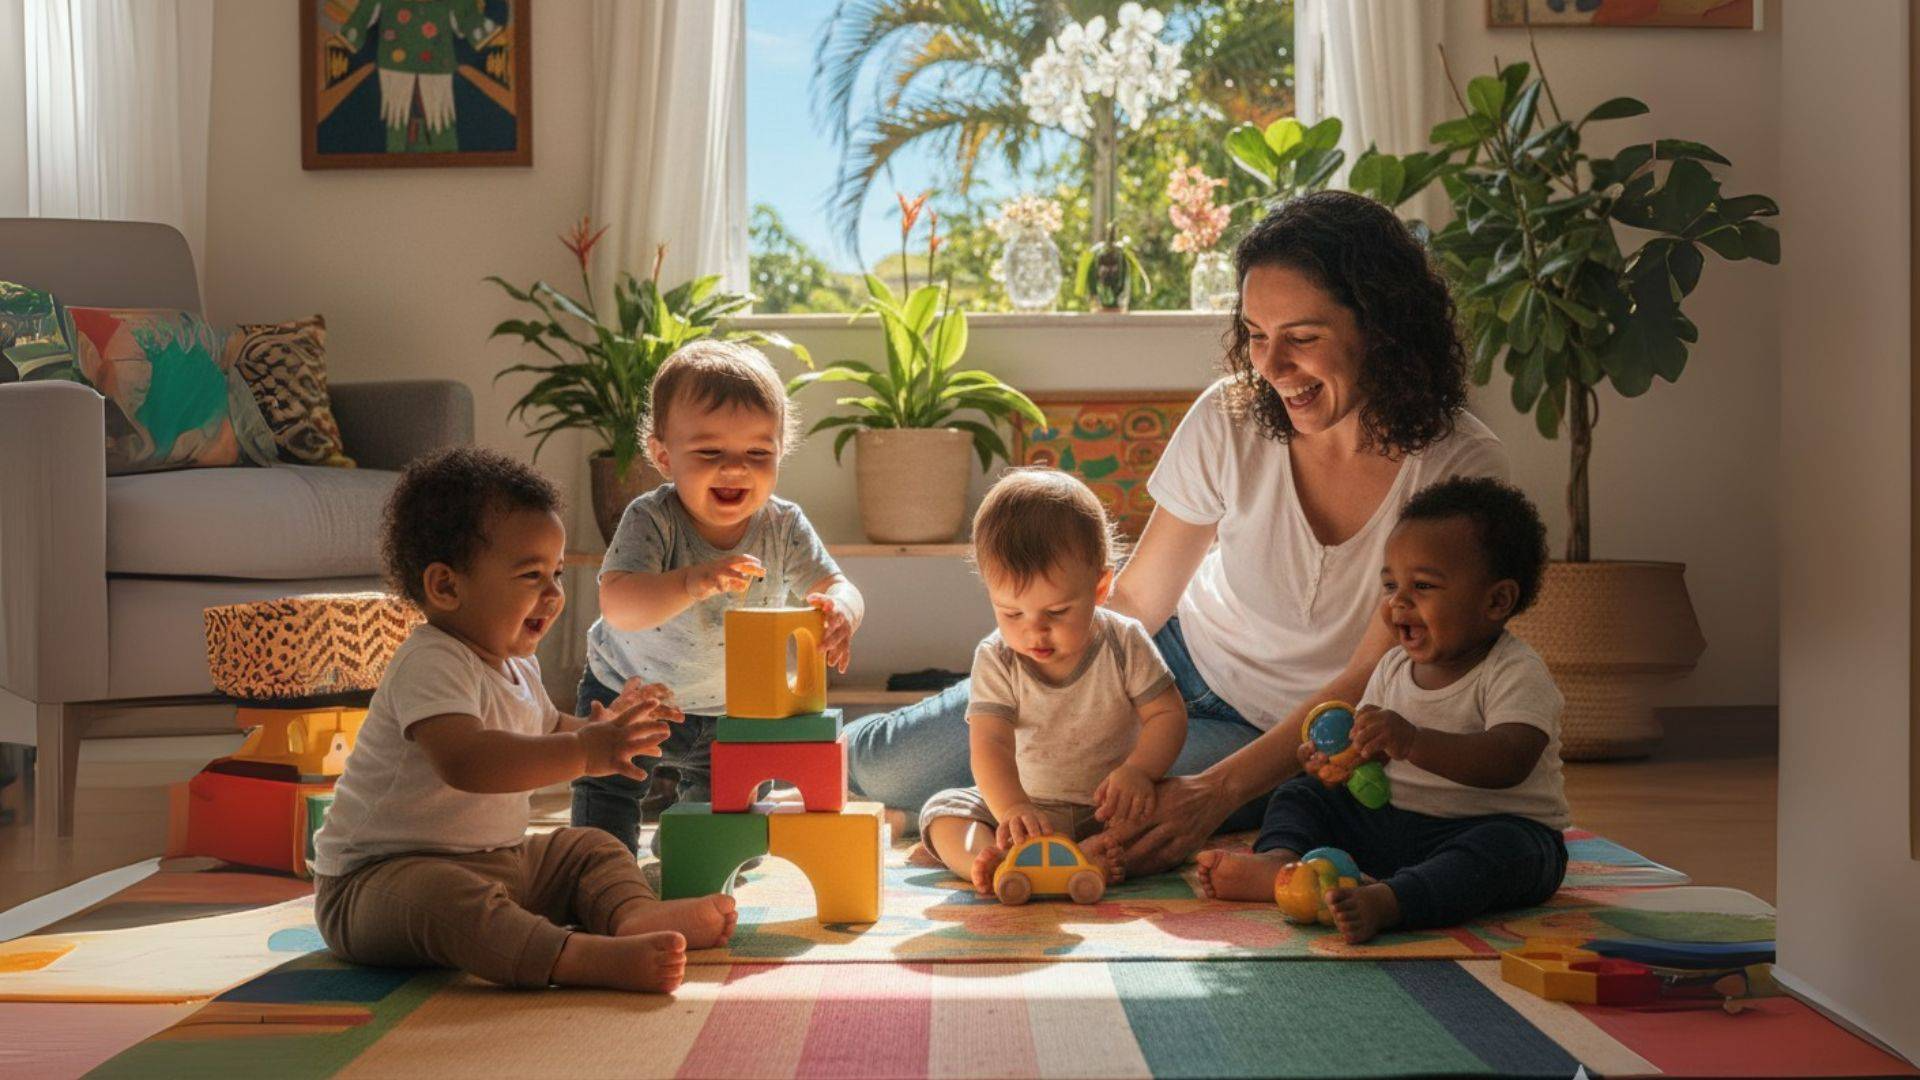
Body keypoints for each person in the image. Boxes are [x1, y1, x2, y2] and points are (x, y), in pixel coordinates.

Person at [845, 190, 1509, 876]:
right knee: (889, 769)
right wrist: (1047, 688)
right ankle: (792, 746)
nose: (1271, 368)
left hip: (1278, 735)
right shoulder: (1233, 415)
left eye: (1302, 338)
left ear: (1381, 325)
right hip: (1156, 659)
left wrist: (1213, 792)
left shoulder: (1457, 468)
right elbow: (1136, 603)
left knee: (1103, 816)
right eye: (1255, 335)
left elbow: (1370, 676)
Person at [311, 448, 736, 994]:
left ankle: (632, 916)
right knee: (451, 901)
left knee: (588, 847)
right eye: (531, 574)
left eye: (556, 573)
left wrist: (602, 729)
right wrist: (587, 752)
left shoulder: (516, 663)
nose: (554, 593)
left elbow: (543, 727)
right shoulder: (431, 660)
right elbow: (470, 762)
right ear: (446, 587)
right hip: (379, 883)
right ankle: (576, 957)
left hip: (498, 860)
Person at [1197, 477, 1568, 943]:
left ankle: (1393, 901)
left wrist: (1412, 741)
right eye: (1391, 584)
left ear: (1496, 600)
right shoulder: (1393, 666)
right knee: (1301, 793)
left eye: (1423, 586)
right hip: (1395, 822)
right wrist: (1340, 763)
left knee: (1504, 854)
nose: (1398, 602)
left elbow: (1509, 758)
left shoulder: (1514, 671)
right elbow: (1367, 750)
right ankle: (1281, 862)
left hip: (1488, 826)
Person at [571, 341, 865, 854]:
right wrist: (693, 581)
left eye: (757, 453)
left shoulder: (783, 524)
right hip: (634, 695)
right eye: (710, 452)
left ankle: (682, 848)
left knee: (727, 846)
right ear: (663, 456)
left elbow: (836, 584)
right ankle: (606, 869)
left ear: (779, 452)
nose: (735, 468)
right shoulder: (651, 518)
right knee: (605, 812)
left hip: (739, 711)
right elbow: (618, 603)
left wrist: (842, 611)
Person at [918, 469, 1187, 893]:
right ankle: (991, 862)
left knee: (1167, 820)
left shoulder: (1124, 641)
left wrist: (1139, 771)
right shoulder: (997, 657)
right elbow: (990, 744)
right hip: (1030, 816)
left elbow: (1167, 714)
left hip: (1107, 812)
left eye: (1057, 613)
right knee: (945, 810)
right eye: (1011, 613)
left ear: (1101, 586)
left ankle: (1099, 856)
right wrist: (1012, 808)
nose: (1034, 632)